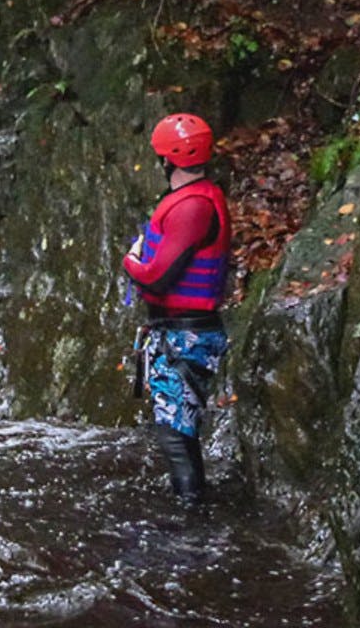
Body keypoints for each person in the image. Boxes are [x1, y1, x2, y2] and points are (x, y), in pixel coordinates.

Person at [122, 113, 231, 504]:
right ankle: (192, 507)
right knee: (178, 432)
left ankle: (191, 520)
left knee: (175, 436)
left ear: (167, 160)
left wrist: (130, 262)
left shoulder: (191, 208)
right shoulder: (197, 200)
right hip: (182, 331)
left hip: (187, 336)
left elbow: (155, 278)